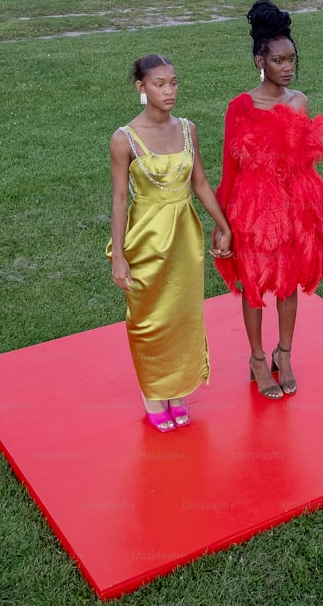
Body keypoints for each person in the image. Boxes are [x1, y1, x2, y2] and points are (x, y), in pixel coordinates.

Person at [214, 0, 323, 400]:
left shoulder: (300, 102)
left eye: (292, 59)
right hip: (253, 209)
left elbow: (305, 159)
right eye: (278, 60)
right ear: (260, 60)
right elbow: (229, 169)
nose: (288, 67)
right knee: (254, 283)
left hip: (294, 204)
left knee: (289, 283)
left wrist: (312, 209)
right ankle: (257, 358)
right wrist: (225, 226)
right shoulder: (240, 107)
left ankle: (283, 353)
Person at [107, 54, 233, 432]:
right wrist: (119, 257)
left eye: (174, 82)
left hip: (184, 239)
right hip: (144, 239)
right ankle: (152, 394)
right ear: (141, 88)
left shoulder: (188, 129)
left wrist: (223, 225)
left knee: (182, 317)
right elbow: (118, 200)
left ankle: (177, 392)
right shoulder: (123, 139)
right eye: (159, 84)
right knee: (147, 320)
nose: (169, 90)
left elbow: (200, 184)